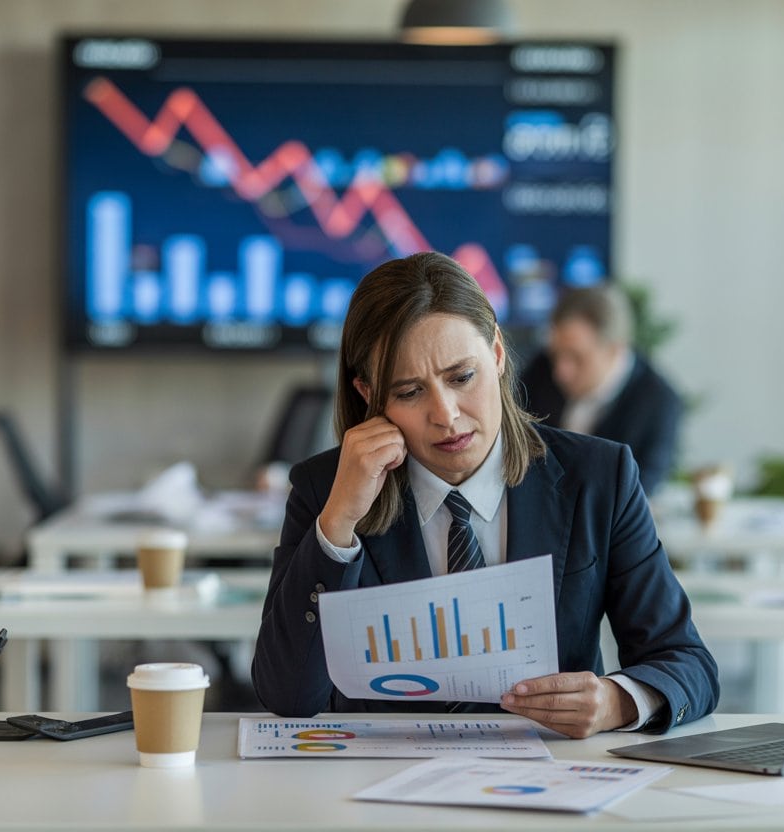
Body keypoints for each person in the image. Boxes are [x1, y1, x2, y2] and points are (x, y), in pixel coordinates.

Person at [251, 252, 717, 738]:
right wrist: (339, 520)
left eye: (461, 377)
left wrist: (616, 702)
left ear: (496, 353)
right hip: (378, 789)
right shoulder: (326, 489)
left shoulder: (599, 476)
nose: (447, 415)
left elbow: (687, 662)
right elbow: (287, 695)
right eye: (410, 392)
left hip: (547, 785)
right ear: (370, 393)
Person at [519, 284, 683, 495]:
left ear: (615, 350)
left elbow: (638, 494)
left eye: (576, 358)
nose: (561, 371)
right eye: (556, 354)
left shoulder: (659, 403)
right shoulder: (541, 369)